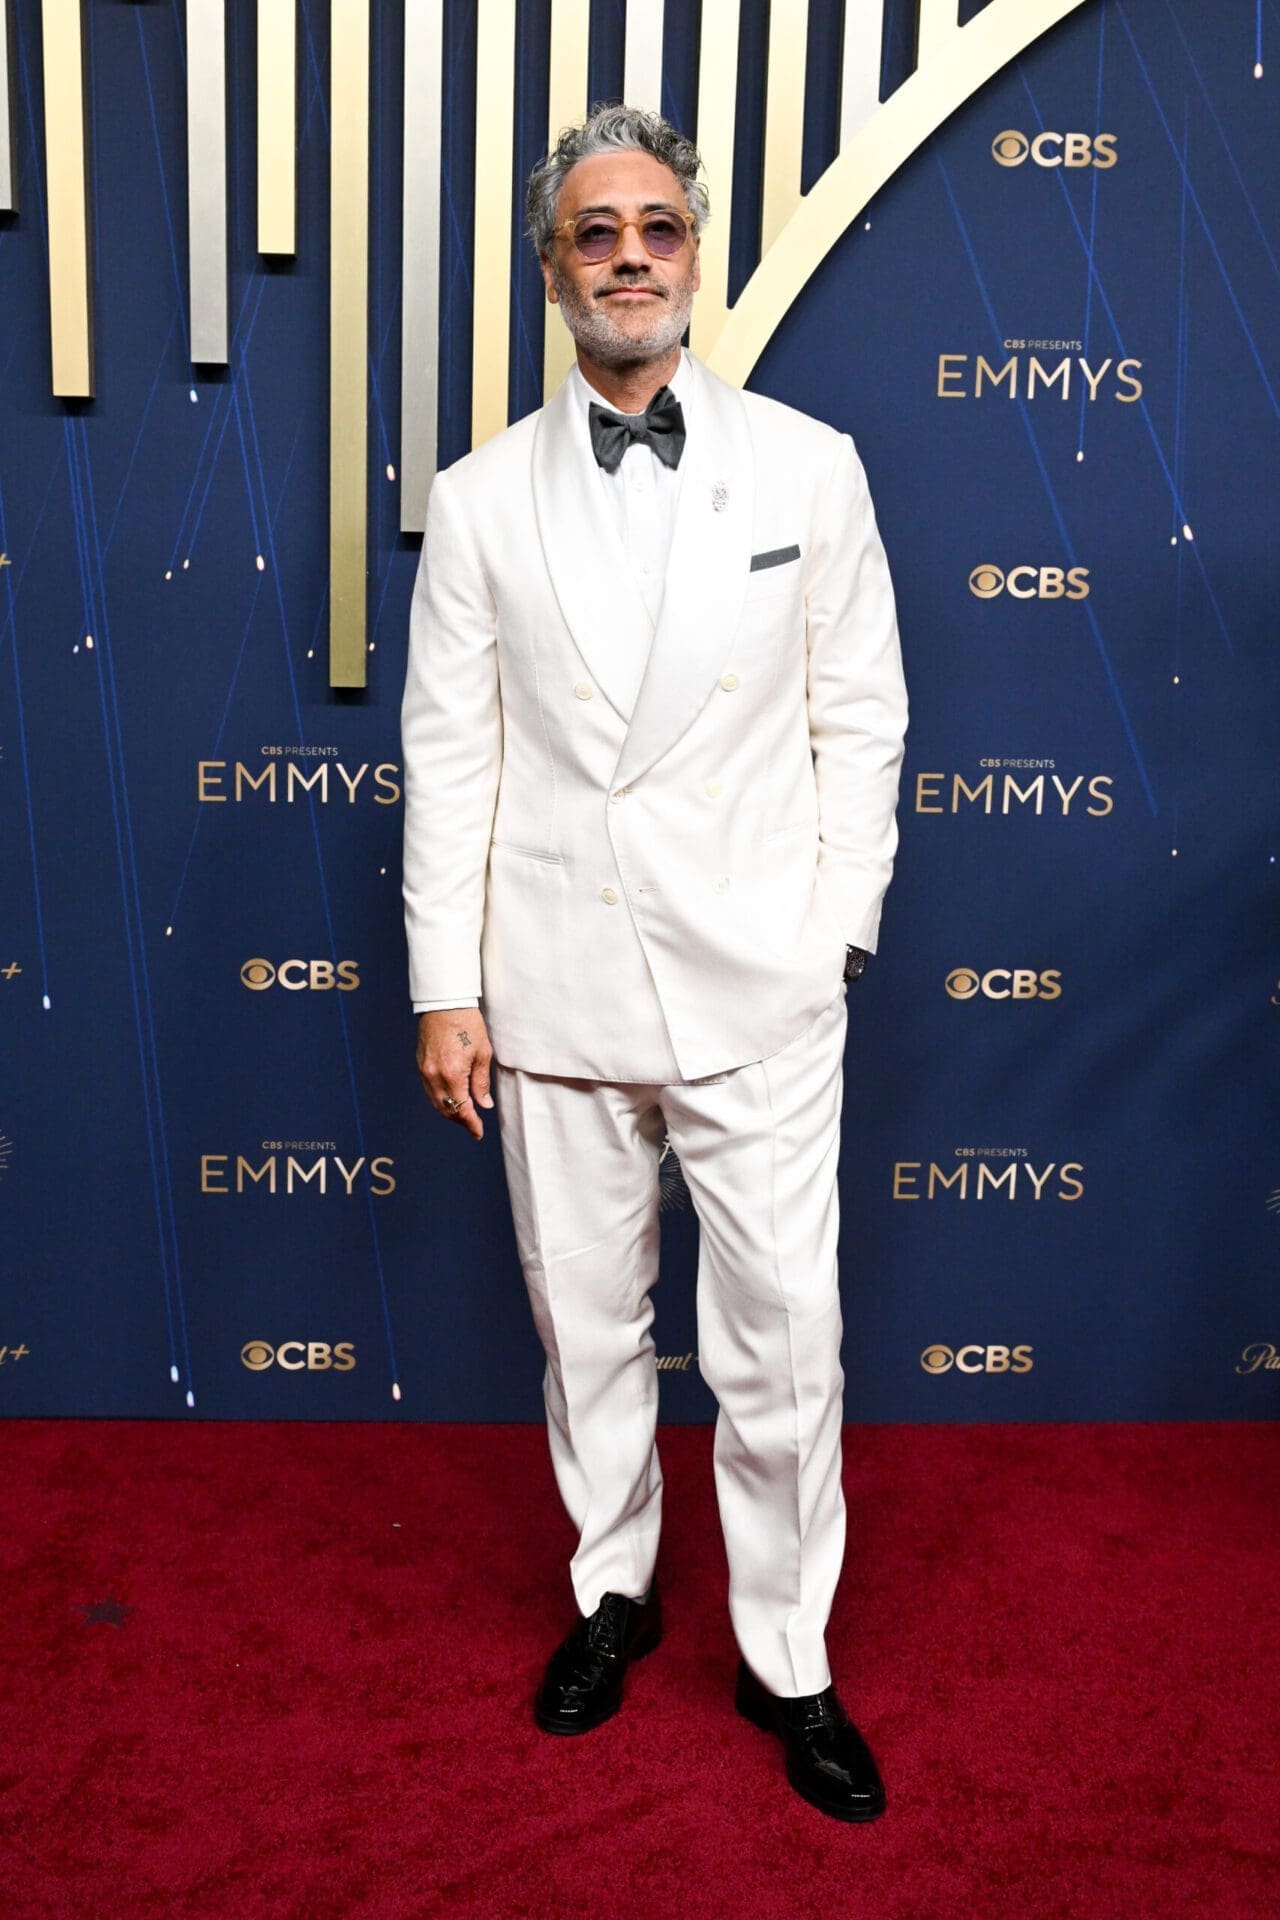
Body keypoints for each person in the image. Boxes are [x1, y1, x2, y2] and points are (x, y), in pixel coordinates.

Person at [400, 103, 908, 1823]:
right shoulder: (478, 501)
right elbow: (451, 759)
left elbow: (863, 718)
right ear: (551, 269)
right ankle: (611, 1590)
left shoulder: (811, 466)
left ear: (695, 250)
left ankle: (789, 1656)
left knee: (784, 1340)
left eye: (658, 227)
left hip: (761, 984)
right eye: (595, 232)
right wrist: (445, 986)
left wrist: (835, 933)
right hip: (553, 980)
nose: (630, 256)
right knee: (587, 1330)